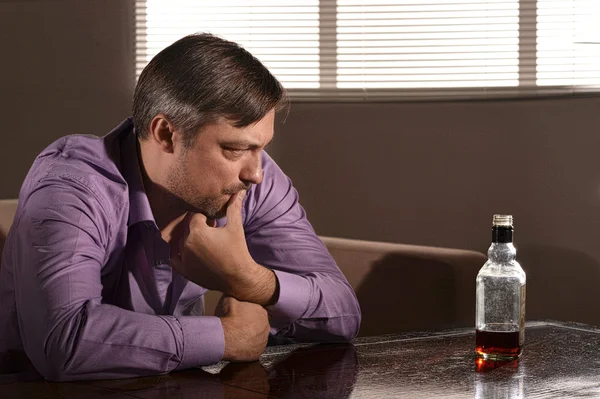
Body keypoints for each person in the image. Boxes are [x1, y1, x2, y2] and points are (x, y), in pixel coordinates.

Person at [0, 33, 361, 382]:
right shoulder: (72, 185)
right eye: (234, 149)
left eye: (260, 148)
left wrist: (249, 280)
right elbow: (63, 342)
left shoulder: (251, 181)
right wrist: (227, 337)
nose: (255, 173)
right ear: (165, 134)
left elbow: (344, 312)